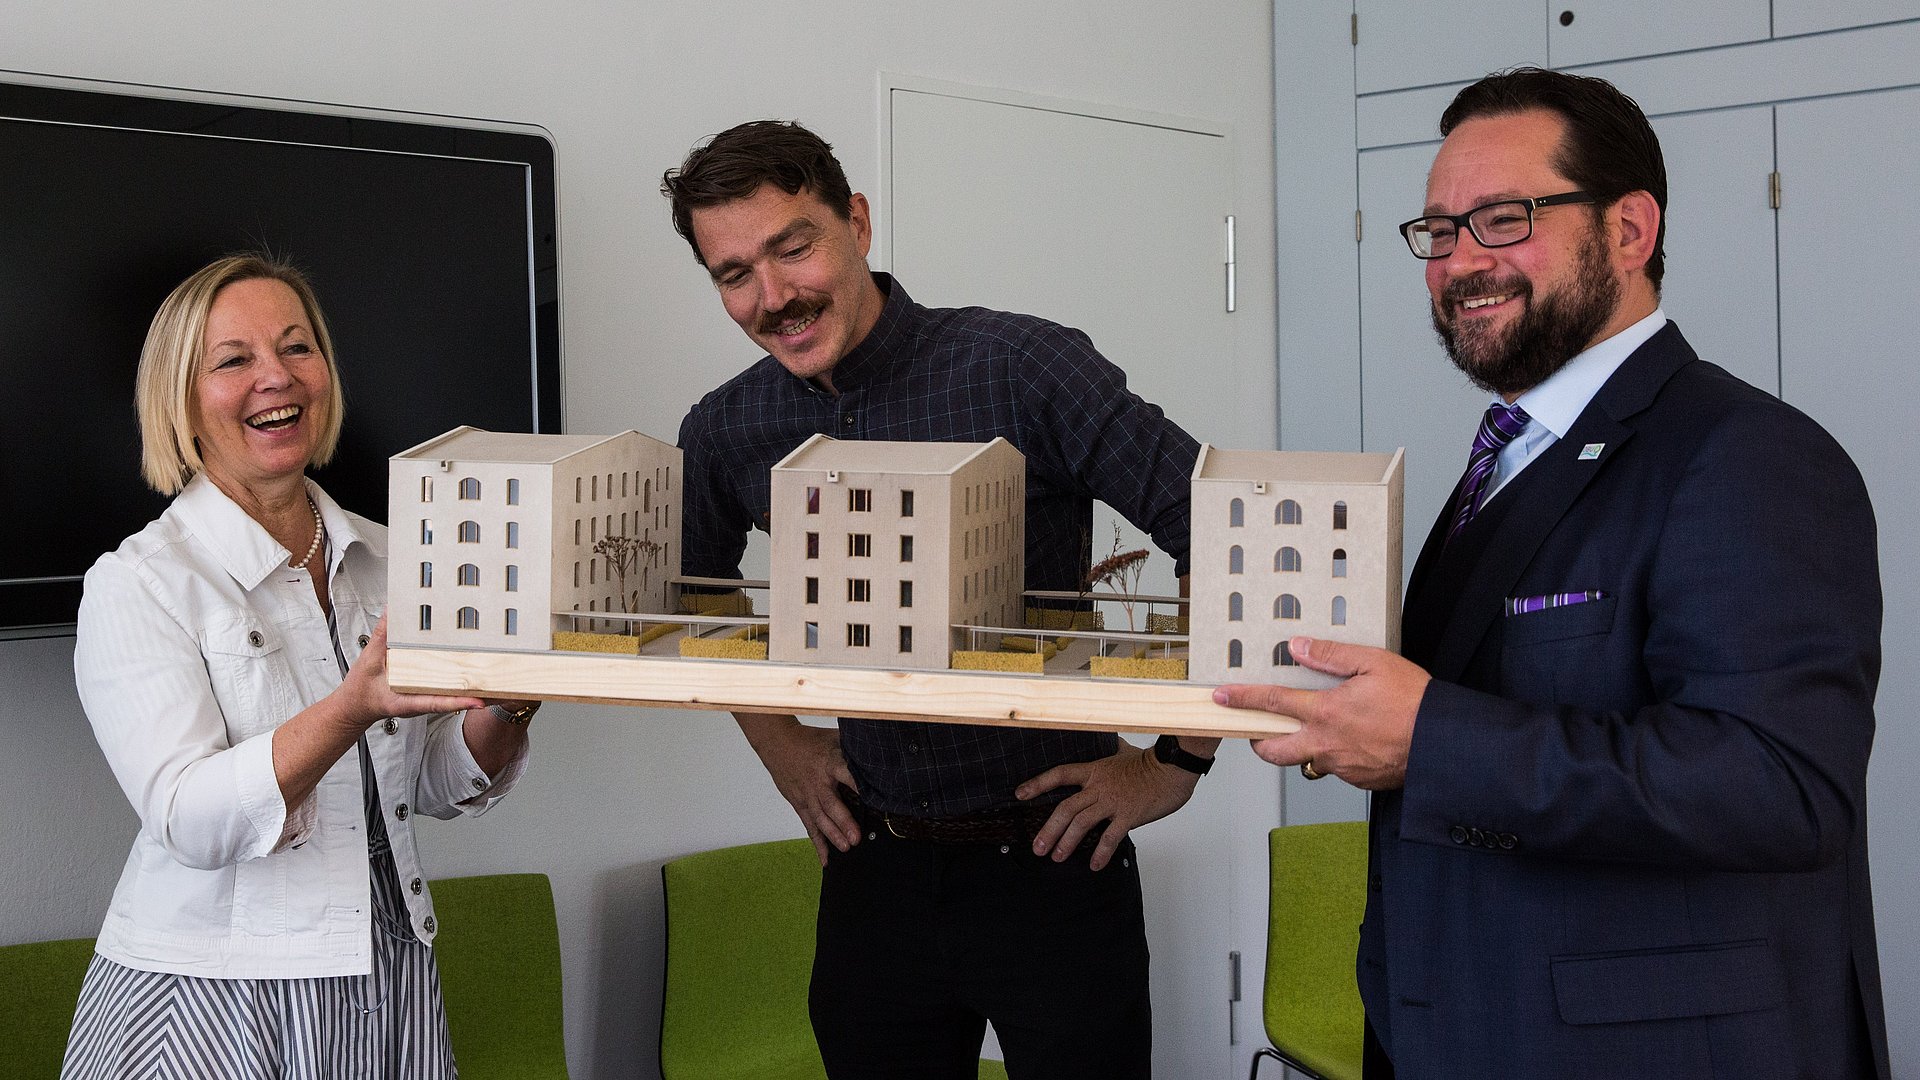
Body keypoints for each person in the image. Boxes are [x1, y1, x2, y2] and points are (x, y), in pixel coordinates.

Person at [1215, 68, 1891, 1079]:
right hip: (1464, 1026)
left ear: (1630, 230)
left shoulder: (1747, 455)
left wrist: (1429, 736)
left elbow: (1779, 785)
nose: (1459, 261)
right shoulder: (1510, 454)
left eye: (1503, 217)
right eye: (1438, 232)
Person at [663, 120, 1217, 1078]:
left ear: (858, 222)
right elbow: (693, 595)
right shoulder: (728, 426)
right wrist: (779, 739)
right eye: (734, 273)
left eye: (793, 247)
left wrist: (1177, 763)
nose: (774, 297)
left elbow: (1219, 523)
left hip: (1056, 864)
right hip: (871, 872)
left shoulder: (1022, 367)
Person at [62, 254, 541, 1079]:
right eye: (234, 359)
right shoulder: (137, 583)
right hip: (218, 999)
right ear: (182, 401)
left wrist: (511, 703)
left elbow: (424, 782)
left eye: (297, 348)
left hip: (390, 978)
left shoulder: (394, 554)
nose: (276, 378)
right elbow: (188, 818)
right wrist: (349, 708)